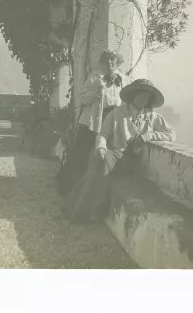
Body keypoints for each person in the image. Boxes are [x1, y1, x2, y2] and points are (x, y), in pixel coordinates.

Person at [63, 79, 176, 223]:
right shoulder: (118, 112)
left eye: (147, 97)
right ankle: (87, 213)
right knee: (100, 163)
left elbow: (171, 134)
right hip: (111, 151)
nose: (143, 99)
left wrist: (148, 136)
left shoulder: (153, 117)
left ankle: (75, 206)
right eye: (141, 95)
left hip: (129, 160)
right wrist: (101, 147)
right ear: (133, 95)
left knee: (96, 170)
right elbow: (102, 134)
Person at [55, 49, 131, 197]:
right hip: (92, 120)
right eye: (107, 60)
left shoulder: (125, 80)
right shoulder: (95, 77)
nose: (110, 62)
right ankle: (67, 186)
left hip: (112, 122)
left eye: (113, 60)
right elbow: (82, 97)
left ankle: (89, 193)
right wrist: (94, 94)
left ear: (118, 62)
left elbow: (126, 102)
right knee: (82, 154)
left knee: (101, 157)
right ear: (102, 62)